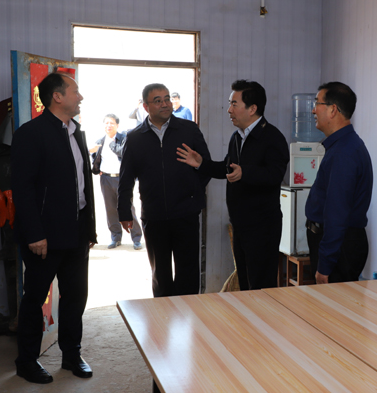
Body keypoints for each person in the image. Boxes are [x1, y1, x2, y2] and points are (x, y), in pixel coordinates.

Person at [11, 71, 97, 384]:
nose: (80, 97)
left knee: (75, 297)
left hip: (76, 232)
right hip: (44, 236)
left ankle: (71, 355)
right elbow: (22, 188)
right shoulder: (31, 133)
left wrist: (89, 230)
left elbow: (84, 185)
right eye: (75, 91)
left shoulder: (76, 131)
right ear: (57, 97)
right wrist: (35, 233)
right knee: (35, 299)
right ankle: (26, 361)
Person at [177, 80, 289, 290]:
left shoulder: (273, 138)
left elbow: (275, 175)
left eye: (234, 104)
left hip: (263, 227)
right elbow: (228, 169)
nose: (229, 110)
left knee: (261, 287)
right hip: (240, 224)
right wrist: (201, 163)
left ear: (252, 109)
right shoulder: (237, 137)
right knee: (245, 285)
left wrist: (245, 172)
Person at [118, 84, 211, 298]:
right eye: (158, 100)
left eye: (167, 99)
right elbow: (126, 178)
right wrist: (124, 211)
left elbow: (205, 166)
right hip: (154, 215)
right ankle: (163, 314)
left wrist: (191, 192)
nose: (165, 104)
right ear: (146, 106)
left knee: (188, 271)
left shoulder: (188, 130)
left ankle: (189, 313)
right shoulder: (135, 138)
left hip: (186, 213)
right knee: (160, 273)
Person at [305, 82, 373, 285]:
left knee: (331, 305)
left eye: (317, 103)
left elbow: (337, 213)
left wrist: (325, 265)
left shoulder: (344, 152)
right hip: (338, 245)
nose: (313, 110)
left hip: (339, 249)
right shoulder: (344, 146)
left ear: (333, 109)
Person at [90, 114, 143, 250]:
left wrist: (112, 143)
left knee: (128, 207)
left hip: (122, 178)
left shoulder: (123, 138)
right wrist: (97, 168)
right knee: (110, 209)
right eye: (106, 123)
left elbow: (123, 153)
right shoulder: (100, 141)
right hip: (106, 179)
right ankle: (115, 237)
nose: (109, 126)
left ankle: (136, 238)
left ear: (117, 125)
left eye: (112, 123)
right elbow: (94, 157)